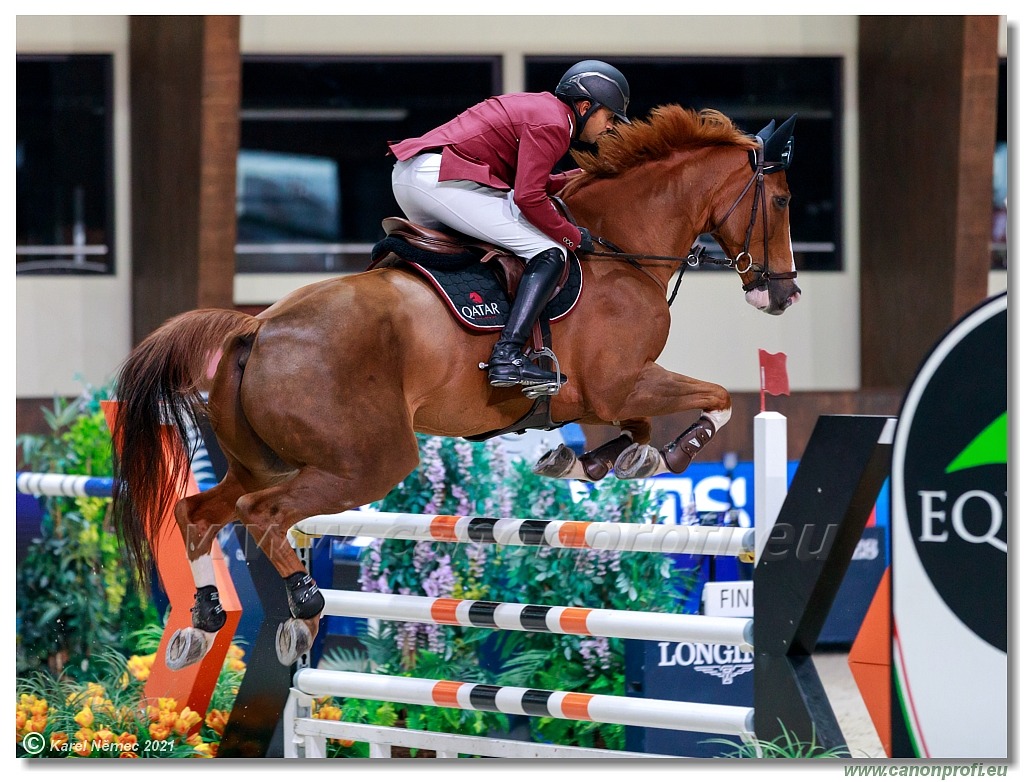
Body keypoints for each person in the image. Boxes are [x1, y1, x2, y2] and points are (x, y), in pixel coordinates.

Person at [388, 60, 630, 393]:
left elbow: (530, 183)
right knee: (550, 251)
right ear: (586, 106)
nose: (610, 126)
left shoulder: (546, 111)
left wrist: (577, 178)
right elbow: (528, 198)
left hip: (416, 176)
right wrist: (573, 238)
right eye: (610, 116)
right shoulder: (556, 124)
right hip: (438, 179)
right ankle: (507, 355)